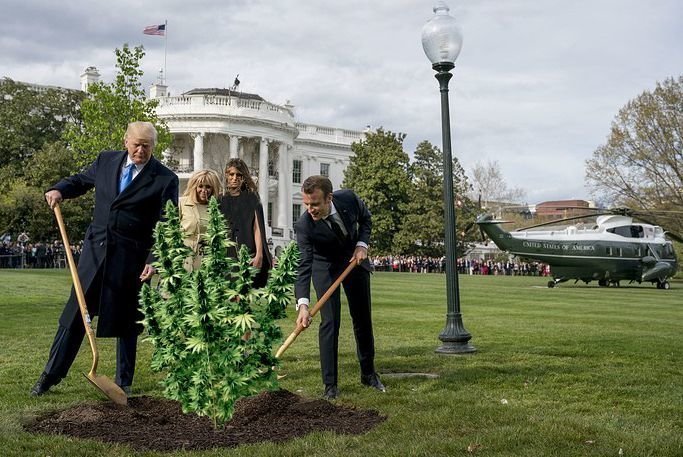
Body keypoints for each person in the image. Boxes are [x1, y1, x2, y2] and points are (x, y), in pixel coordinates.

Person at [30, 121, 179, 397]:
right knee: (75, 315)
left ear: (153, 147)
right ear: (126, 141)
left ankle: (123, 382)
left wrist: (154, 258)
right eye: (136, 144)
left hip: (132, 261)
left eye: (147, 146)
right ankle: (50, 375)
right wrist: (59, 189)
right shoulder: (106, 160)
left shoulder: (165, 179)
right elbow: (80, 181)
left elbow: (168, 223)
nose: (141, 150)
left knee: (127, 321)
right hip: (95, 253)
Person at [294, 175, 384, 400]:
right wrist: (303, 304)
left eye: (315, 203)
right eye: (306, 204)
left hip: (355, 261)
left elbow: (366, 219)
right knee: (330, 322)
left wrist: (362, 244)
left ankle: (368, 374)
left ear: (329, 198)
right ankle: (330, 385)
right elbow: (304, 265)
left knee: (362, 319)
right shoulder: (304, 225)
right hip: (325, 267)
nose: (310, 209)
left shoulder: (349, 199)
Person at [219, 158, 271, 288]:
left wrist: (259, 254)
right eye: (231, 174)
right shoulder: (220, 198)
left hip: (247, 251)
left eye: (239, 175)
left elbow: (257, 227)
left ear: (244, 177)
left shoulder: (251, 197)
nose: (235, 178)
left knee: (244, 291)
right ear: (226, 175)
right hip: (226, 252)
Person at [179, 169, 222, 271]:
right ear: (194, 186)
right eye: (200, 186)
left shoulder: (216, 208)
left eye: (208, 187)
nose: (204, 190)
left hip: (207, 259)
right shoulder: (182, 203)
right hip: (183, 258)